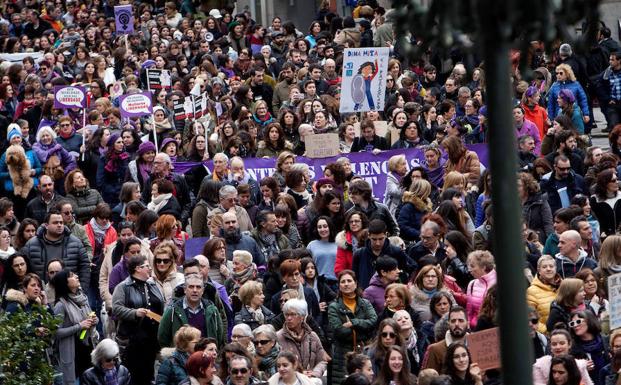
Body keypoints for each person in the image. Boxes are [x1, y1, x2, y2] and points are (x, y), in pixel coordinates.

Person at [112, 254, 165, 385]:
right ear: (138, 268)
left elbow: (161, 305)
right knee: (134, 376)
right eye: (147, 266)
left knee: (149, 375)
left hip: (152, 339)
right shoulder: (123, 287)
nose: (150, 269)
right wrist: (135, 313)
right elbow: (116, 309)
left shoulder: (153, 284)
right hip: (133, 340)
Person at [328, 270, 378, 385]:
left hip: (363, 350)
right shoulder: (334, 306)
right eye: (343, 282)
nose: (346, 284)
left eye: (349, 281)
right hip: (343, 353)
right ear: (339, 286)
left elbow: (373, 321)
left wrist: (354, 323)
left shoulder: (365, 303)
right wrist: (362, 327)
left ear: (355, 284)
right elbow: (339, 331)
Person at [23, 208, 91, 289]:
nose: (59, 225)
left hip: (69, 294)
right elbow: (24, 270)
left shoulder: (76, 243)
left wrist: (82, 289)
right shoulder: (31, 245)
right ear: (46, 225)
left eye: (61, 222)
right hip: (41, 294)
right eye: (55, 223)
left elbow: (85, 267)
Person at [51, 269, 98, 385]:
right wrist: (79, 326)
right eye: (71, 276)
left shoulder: (83, 298)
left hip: (87, 347)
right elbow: (55, 332)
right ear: (64, 283)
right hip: (72, 351)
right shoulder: (60, 305)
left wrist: (94, 320)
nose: (76, 276)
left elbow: (88, 316)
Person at [158, 273, 225, 348]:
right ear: (185, 290)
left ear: (202, 291)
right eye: (191, 287)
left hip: (206, 356)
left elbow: (219, 335)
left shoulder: (212, 310)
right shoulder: (172, 310)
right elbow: (162, 337)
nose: (195, 290)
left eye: (198, 287)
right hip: (182, 357)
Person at [276, 298, 328, 382]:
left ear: (302, 317)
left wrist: (314, 373)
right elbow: (277, 364)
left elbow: (322, 360)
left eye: (293, 314)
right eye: (286, 314)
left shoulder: (312, 336)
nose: (289, 318)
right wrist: (298, 373)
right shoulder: (278, 337)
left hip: (310, 380)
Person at [353, 219, 410, 289]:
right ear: (369, 235)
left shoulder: (397, 252)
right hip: (365, 294)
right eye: (374, 239)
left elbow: (404, 273)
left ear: (386, 235)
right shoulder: (359, 254)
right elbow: (355, 277)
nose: (378, 243)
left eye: (381, 239)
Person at [422, 306, 470, 372]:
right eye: (453, 321)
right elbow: (428, 378)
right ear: (448, 324)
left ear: (468, 323)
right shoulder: (435, 349)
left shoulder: (475, 346)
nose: (456, 324)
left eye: (461, 320)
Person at [527, 255, 561, 333]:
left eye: (551, 266)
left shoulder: (563, 286)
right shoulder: (531, 292)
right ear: (539, 270)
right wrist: (547, 331)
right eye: (544, 267)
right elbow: (531, 319)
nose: (548, 269)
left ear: (555, 268)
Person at [465, 250, 497, 328]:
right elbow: (469, 310)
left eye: (472, 266)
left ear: (483, 267)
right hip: (475, 329)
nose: (469, 270)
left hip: (493, 329)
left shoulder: (498, 283)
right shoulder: (472, 284)